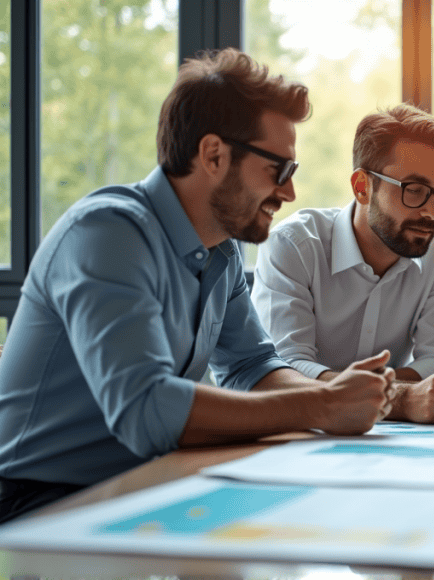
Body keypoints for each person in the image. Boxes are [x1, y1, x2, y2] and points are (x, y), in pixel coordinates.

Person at [0, 48, 395, 523]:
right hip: (35, 506)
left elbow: (252, 366)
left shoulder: (221, 252)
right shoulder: (107, 234)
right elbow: (148, 410)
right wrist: (322, 404)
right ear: (213, 154)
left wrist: (336, 389)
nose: (290, 192)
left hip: (139, 487)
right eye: (279, 170)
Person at [252, 105, 434, 424]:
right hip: (303, 433)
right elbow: (284, 369)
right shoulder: (294, 245)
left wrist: (362, 393)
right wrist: (399, 398)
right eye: (414, 190)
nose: (431, 212)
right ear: (362, 187)